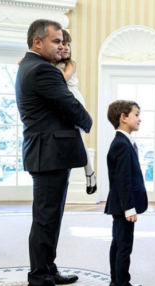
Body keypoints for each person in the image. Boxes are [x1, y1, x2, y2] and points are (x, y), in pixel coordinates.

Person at [16, 19, 92, 286]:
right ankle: (39, 284)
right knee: (46, 221)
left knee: (50, 218)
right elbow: (71, 106)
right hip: (48, 154)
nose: (62, 46)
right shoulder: (42, 70)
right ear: (38, 42)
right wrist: (88, 121)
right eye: (56, 41)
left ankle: (48, 269)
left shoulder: (29, 66)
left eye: (63, 41)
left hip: (48, 154)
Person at [105, 100, 150, 286]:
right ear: (123, 117)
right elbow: (123, 180)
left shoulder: (123, 142)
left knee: (118, 242)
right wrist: (129, 207)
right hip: (124, 205)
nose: (139, 118)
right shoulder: (121, 144)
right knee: (124, 246)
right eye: (136, 114)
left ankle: (118, 282)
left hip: (121, 203)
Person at [55, 29, 97, 194]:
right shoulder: (51, 63)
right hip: (63, 104)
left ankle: (90, 173)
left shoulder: (70, 64)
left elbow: (64, 78)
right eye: (61, 43)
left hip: (75, 102)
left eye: (67, 44)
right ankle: (89, 173)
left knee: (77, 138)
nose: (65, 47)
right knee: (73, 138)